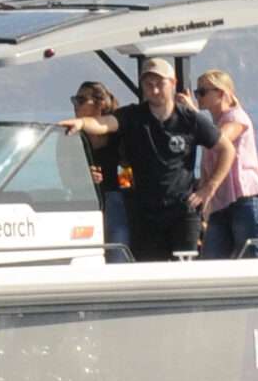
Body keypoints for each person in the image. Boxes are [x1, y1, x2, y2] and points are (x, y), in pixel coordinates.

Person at [58, 57, 218, 260]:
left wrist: (209, 187)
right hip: (131, 208)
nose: (154, 90)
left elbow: (124, 166)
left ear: (172, 83)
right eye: (148, 85)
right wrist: (81, 128)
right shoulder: (77, 137)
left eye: (81, 100)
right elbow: (68, 176)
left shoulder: (186, 119)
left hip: (139, 202)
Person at [186, 70, 258, 259]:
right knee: (212, 263)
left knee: (251, 267)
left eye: (202, 92)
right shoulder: (215, 122)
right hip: (221, 205)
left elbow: (220, 140)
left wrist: (193, 116)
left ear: (220, 93)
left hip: (246, 201)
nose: (197, 96)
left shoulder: (236, 117)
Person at [71, 80, 133, 259]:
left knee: (115, 201)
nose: (76, 105)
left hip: (115, 199)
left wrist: (124, 175)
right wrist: (85, 179)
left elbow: (129, 170)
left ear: (99, 104)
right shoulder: (72, 138)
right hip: (85, 201)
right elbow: (68, 178)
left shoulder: (118, 136)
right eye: (75, 100)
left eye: (81, 100)